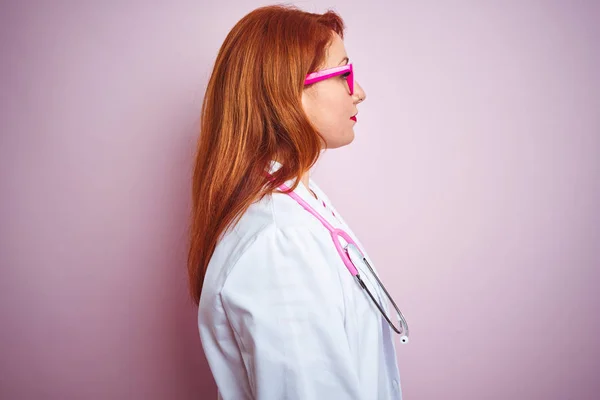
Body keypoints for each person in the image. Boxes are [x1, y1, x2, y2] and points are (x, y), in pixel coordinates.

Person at [188, 5, 404, 399]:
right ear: (287, 91)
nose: (359, 91)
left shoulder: (300, 206)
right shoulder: (279, 243)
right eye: (343, 73)